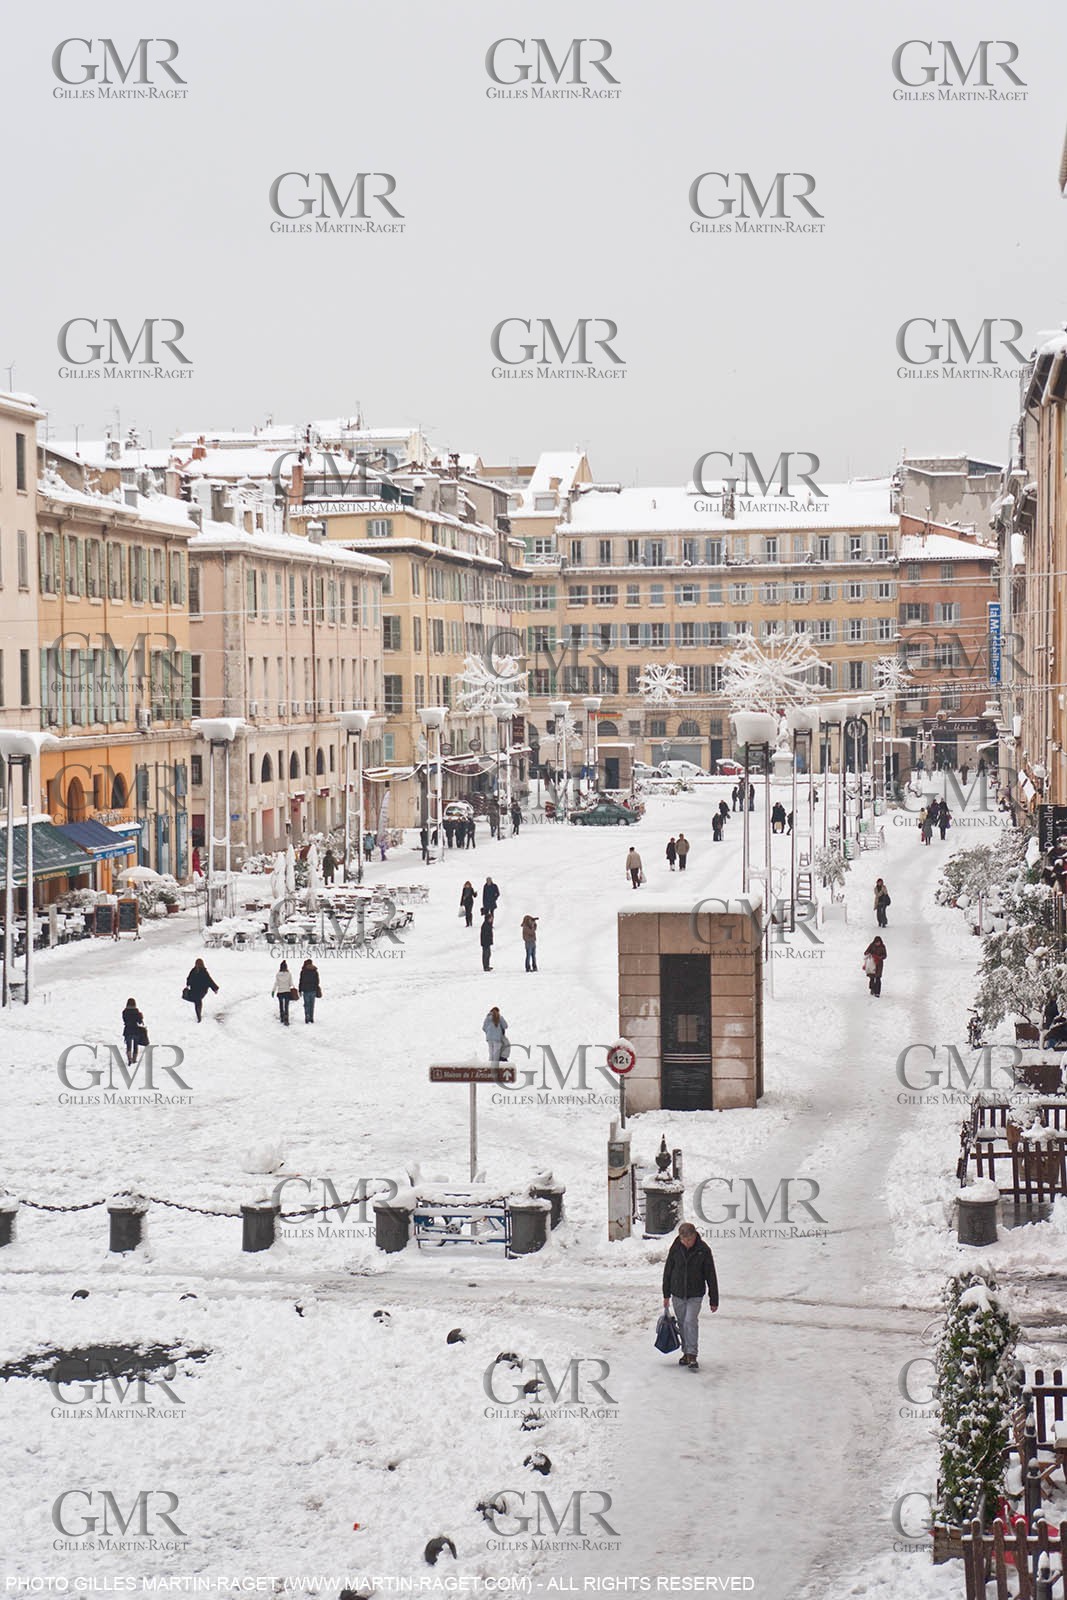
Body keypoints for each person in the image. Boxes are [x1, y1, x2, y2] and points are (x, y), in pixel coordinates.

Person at [661, 1221, 719, 1372]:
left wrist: (714, 1299)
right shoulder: (675, 1249)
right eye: (684, 1240)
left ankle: (692, 1354)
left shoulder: (703, 1250)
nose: (687, 1243)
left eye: (689, 1240)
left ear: (694, 1236)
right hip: (678, 1293)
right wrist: (666, 1294)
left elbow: (711, 1275)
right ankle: (686, 1353)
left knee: (690, 1321)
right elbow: (668, 1271)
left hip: (695, 1293)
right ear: (680, 1238)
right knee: (682, 1323)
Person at [184, 958, 218, 1023]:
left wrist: (188, 984)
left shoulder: (193, 970)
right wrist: (215, 989)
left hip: (194, 990)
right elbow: (209, 981)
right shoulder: (204, 972)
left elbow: (188, 979)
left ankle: (198, 1015)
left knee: (197, 1002)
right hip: (202, 991)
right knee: (198, 1001)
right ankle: (199, 1015)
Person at [122, 997, 146, 1066]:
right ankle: (134, 1059)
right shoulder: (136, 1011)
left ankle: (129, 1059)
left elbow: (124, 1020)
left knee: (128, 1046)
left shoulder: (124, 1012)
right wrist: (141, 1016)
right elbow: (139, 1021)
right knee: (135, 1046)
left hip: (127, 1030)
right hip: (136, 1030)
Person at [298, 958, 321, 1024]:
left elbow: (301, 981)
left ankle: (307, 1017)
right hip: (313, 990)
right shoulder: (315, 971)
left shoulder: (303, 971)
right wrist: (316, 989)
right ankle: (311, 1018)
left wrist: (300, 990)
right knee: (312, 1005)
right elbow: (317, 981)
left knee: (306, 1004)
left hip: (306, 990)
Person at [272, 960, 295, 1026]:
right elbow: (291, 983)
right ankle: (286, 1019)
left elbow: (276, 983)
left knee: (281, 1005)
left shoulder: (278, 975)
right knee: (286, 1006)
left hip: (280, 992)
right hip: (287, 992)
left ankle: (282, 1017)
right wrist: (293, 987)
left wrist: (273, 991)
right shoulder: (289, 974)